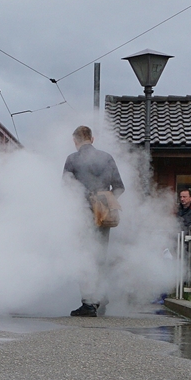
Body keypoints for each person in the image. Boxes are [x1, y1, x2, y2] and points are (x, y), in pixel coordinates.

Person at [62, 125, 124, 317]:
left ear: (75, 141)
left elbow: (65, 189)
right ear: (92, 138)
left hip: (82, 215)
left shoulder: (72, 159)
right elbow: (120, 188)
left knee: (85, 258)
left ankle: (89, 303)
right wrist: (104, 202)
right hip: (103, 214)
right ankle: (101, 296)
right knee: (100, 257)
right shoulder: (107, 158)